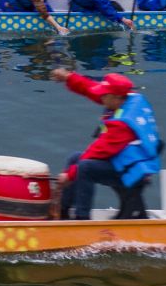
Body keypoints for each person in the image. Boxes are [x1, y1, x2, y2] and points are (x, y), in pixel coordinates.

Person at [52, 69, 160, 220]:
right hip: (123, 157)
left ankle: (81, 219)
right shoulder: (127, 99)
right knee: (75, 158)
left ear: (116, 97)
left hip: (132, 170)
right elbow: (91, 89)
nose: (100, 96)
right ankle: (62, 212)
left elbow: (98, 151)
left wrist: (68, 175)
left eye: (104, 94)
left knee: (85, 167)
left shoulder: (123, 123)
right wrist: (69, 77)